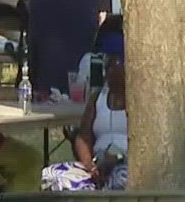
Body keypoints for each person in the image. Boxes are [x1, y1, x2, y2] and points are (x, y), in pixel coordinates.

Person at [41, 37, 130, 191]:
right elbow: (83, 137)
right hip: (97, 164)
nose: (109, 72)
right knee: (51, 175)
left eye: (115, 66)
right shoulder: (98, 97)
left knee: (120, 179)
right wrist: (90, 165)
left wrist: (118, 158)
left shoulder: (139, 101)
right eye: (107, 67)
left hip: (127, 164)